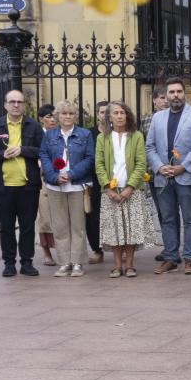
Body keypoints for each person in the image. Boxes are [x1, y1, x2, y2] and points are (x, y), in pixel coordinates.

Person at [0, 89, 44, 277]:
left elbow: (43, 150)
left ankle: (27, 262)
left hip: (28, 186)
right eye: (12, 102)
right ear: (5, 104)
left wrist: (23, 150)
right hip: (2, 185)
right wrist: (1, 154)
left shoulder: (34, 126)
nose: (16, 105)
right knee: (6, 227)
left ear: (24, 105)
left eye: (20, 102)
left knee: (28, 226)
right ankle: (9, 262)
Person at [147, 78, 191, 275]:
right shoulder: (157, 118)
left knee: (189, 219)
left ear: (184, 93)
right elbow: (150, 147)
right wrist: (159, 167)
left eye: (179, 92)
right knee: (168, 219)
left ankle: (189, 258)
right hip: (163, 177)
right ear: (167, 95)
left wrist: (183, 167)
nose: (175, 96)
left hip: (186, 176)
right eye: (171, 92)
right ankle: (171, 258)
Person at [94, 101, 151, 278]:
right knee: (114, 230)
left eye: (122, 112)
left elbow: (141, 164)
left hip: (132, 191)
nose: (119, 116)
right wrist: (107, 187)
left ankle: (130, 265)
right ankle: (117, 266)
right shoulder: (102, 138)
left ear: (127, 116)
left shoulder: (137, 136)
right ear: (109, 117)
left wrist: (130, 187)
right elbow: (99, 164)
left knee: (130, 229)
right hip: (110, 192)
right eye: (115, 113)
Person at [39, 100, 95, 277]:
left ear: (75, 116)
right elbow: (44, 156)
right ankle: (64, 262)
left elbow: (89, 158)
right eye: (64, 113)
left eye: (70, 113)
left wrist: (71, 174)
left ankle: (77, 262)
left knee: (78, 225)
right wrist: (54, 176)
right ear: (58, 116)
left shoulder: (84, 134)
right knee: (60, 225)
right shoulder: (49, 135)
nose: (67, 117)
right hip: (55, 186)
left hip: (77, 184)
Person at [83, 100, 110, 264]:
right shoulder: (88, 134)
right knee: (92, 218)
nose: (105, 115)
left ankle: (118, 248)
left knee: (115, 216)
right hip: (93, 181)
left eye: (108, 112)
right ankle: (97, 250)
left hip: (114, 181)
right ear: (97, 114)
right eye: (102, 112)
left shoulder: (117, 133)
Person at [35, 104, 59, 267]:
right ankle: (47, 253)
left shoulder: (61, 134)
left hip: (61, 178)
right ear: (41, 119)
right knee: (44, 217)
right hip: (42, 179)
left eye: (53, 116)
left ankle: (65, 252)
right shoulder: (38, 136)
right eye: (48, 116)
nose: (52, 119)